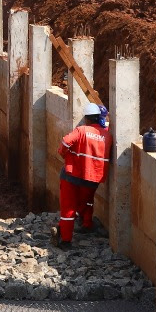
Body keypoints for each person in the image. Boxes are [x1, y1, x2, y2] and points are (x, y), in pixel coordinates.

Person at [55, 103, 111, 249]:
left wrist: (64, 155)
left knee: (68, 208)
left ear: (86, 118)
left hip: (72, 176)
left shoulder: (81, 131)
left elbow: (65, 142)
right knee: (87, 202)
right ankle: (87, 224)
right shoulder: (107, 135)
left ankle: (65, 240)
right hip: (93, 178)